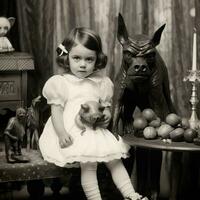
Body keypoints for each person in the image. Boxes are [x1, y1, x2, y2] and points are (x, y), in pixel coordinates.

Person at [39, 27, 148, 200]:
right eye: (77, 58)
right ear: (66, 57)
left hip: (96, 130)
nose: (83, 64)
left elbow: (105, 107)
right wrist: (61, 133)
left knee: (115, 160)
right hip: (72, 130)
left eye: (89, 59)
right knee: (89, 165)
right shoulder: (61, 83)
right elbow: (56, 111)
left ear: (97, 60)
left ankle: (131, 194)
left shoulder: (100, 83)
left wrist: (107, 117)